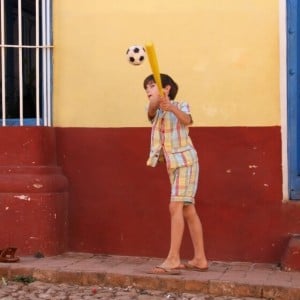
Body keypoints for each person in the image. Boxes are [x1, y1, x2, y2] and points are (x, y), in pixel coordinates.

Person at [143, 73, 208, 275]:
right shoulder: (154, 110)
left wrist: (170, 106)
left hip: (186, 161)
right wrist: (158, 100)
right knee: (188, 210)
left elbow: (187, 120)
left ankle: (173, 259)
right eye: (146, 88)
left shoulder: (181, 105)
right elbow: (152, 110)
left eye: (152, 86)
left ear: (167, 88)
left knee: (175, 206)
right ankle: (200, 259)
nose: (148, 91)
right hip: (173, 165)